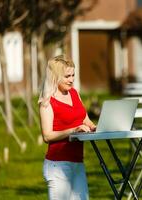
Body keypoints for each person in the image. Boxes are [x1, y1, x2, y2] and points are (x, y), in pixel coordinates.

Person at [38, 55, 96, 200]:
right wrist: (73, 131)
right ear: (55, 77)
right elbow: (47, 136)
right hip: (58, 165)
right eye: (67, 76)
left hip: (78, 162)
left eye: (73, 75)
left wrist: (94, 127)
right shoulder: (47, 101)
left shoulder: (75, 94)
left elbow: (85, 119)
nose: (71, 79)